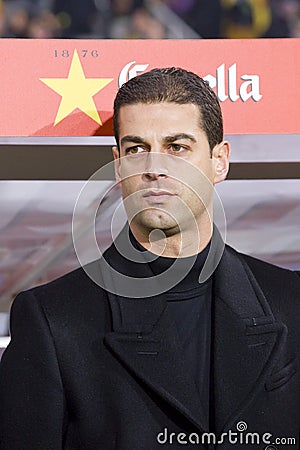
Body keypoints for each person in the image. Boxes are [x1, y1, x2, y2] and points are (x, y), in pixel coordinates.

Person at [0, 68, 299, 449]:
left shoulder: (291, 302)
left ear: (219, 161)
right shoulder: (53, 320)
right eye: (137, 149)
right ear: (118, 163)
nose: (155, 169)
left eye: (177, 147)